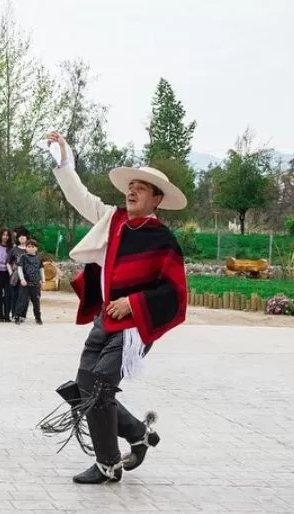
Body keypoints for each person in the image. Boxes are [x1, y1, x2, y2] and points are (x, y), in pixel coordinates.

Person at [37, 131, 187, 484]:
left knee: (101, 386)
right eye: (130, 185)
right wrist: (64, 163)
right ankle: (136, 431)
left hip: (134, 329)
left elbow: (176, 294)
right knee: (83, 389)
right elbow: (80, 198)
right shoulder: (113, 220)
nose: (132, 191)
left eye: (142, 188)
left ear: (157, 199)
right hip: (104, 319)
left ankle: (108, 465)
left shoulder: (163, 240)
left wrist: (133, 303)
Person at [14, 239, 44, 325]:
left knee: (36, 301)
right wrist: (22, 279)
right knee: (22, 301)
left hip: (36, 283)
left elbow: (41, 269)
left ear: (36, 248)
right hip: (25, 283)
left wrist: (43, 281)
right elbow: (19, 269)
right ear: (26, 248)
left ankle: (38, 317)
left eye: (33, 247)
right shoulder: (23, 257)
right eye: (29, 246)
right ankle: (17, 316)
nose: (31, 248)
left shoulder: (39, 258)